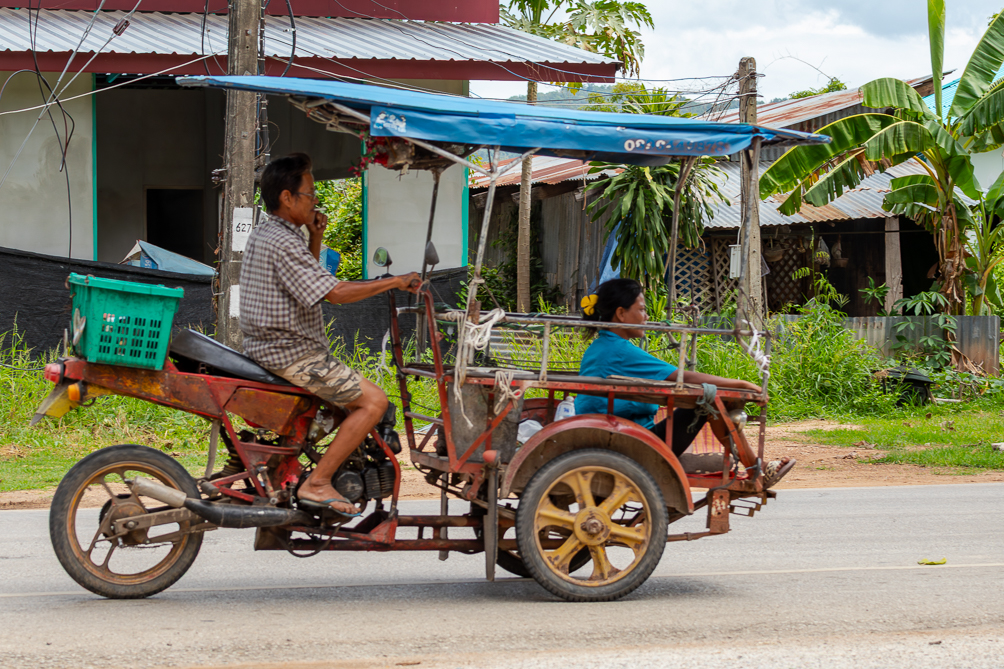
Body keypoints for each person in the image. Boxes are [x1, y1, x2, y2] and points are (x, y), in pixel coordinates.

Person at [240, 153, 420, 516]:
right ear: (287, 198)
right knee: (374, 403)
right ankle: (318, 482)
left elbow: (303, 280)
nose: (315, 200)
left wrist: (315, 237)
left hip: (273, 347)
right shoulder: (283, 241)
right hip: (291, 352)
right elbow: (333, 292)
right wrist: (395, 282)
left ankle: (305, 468)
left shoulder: (271, 233)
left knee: (348, 406)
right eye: (309, 193)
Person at [574, 278, 794, 486]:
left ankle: (756, 466)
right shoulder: (619, 350)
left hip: (618, 434)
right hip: (631, 441)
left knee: (707, 399)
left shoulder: (602, 346)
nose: (646, 316)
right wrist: (741, 384)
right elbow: (684, 377)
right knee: (708, 402)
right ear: (621, 314)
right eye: (641, 309)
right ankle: (757, 469)